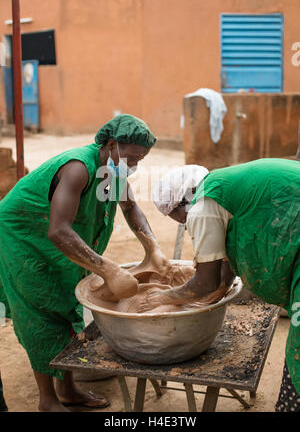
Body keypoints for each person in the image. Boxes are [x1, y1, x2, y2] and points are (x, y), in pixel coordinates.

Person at [0, 114, 170, 412]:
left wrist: (152, 247)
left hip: (52, 235)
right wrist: (109, 269)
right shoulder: (79, 168)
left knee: (68, 303)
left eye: (140, 160)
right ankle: (48, 400)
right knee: (41, 311)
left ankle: (67, 390)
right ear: (113, 145)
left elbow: (131, 209)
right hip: (23, 237)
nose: (133, 165)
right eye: (131, 157)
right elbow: (59, 230)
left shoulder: (111, 173)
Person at [151, 155, 300, 412]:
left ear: (181, 202)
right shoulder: (223, 186)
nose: (182, 223)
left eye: (176, 216)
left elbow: (205, 283)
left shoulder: (202, 205)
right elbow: (225, 267)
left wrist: (161, 298)